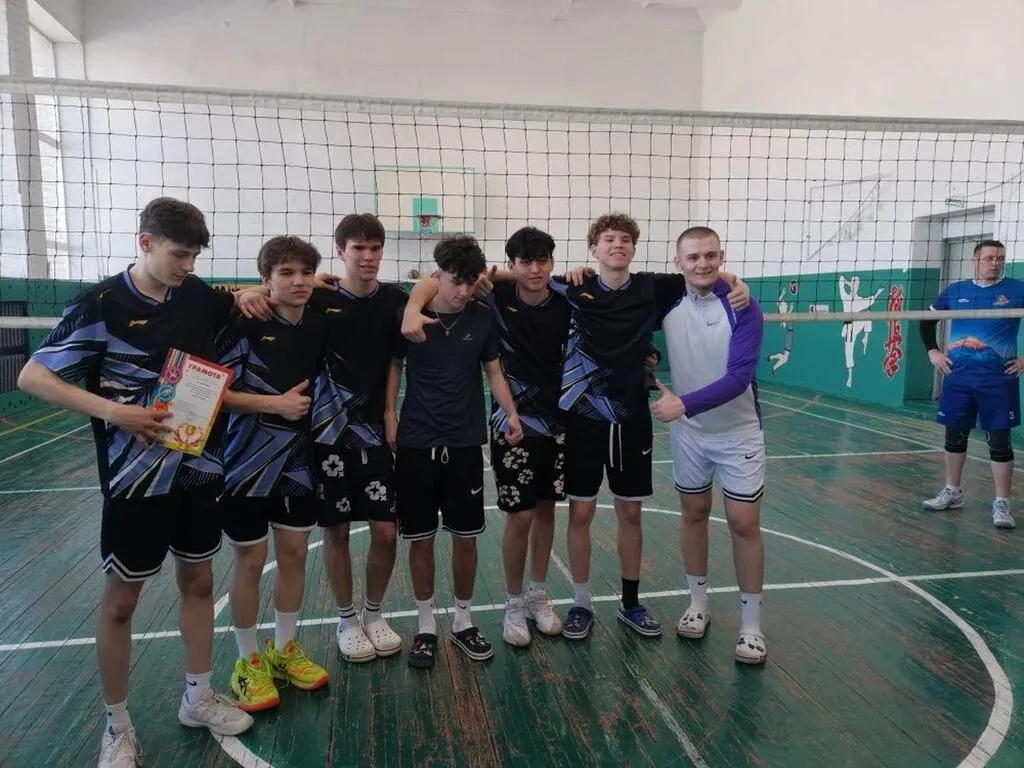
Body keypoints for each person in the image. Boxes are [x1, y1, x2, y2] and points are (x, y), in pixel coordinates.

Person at [16, 197, 253, 768]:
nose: (188, 267)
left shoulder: (194, 294)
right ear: (145, 242)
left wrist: (284, 285)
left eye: (195, 257)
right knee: (121, 601)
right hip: (135, 478)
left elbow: (243, 298)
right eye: (179, 255)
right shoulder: (100, 304)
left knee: (199, 582)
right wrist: (113, 411)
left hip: (199, 468)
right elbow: (32, 376)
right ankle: (117, 727)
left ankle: (198, 697)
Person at [551, 213, 750, 641]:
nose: (617, 245)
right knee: (581, 512)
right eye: (608, 239)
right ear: (594, 248)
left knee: (630, 512)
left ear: (634, 248)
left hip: (631, 417)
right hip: (582, 416)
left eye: (625, 239)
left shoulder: (654, 287)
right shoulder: (573, 286)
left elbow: (704, 273)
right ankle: (581, 603)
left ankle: (630, 604)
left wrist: (738, 282)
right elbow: (513, 279)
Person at [238, 213, 406, 663]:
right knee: (337, 530)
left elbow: (396, 360)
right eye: (358, 248)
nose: (367, 257)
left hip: (373, 433)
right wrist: (247, 292)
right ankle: (347, 619)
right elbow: (272, 295)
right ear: (340, 251)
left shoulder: (395, 300)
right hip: (326, 435)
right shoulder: (317, 297)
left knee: (386, 530)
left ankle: (374, 613)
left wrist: (391, 412)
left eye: (375, 248)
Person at [402, 226, 568, 648]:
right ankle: (501, 605)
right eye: (525, 262)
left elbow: (493, 368)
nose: (535, 269)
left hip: (549, 422)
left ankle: (528, 597)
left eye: (542, 261)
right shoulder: (487, 299)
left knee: (543, 511)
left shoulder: (543, 299)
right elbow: (432, 284)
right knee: (515, 517)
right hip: (434, 437)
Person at [387, 235, 523, 668]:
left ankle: (463, 621)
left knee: (466, 538)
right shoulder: (409, 317)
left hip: (464, 442)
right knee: (421, 539)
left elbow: (494, 372)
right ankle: (426, 626)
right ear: (438, 276)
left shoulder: (481, 317)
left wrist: (511, 413)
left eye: (470, 282)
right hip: (416, 441)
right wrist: (389, 413)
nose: (463, 291)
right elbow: (394, 366)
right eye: (454, 281)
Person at [217, 236, 330, 713]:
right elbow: (212, 392)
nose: (298, 282)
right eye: (286, 273)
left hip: (298, 462)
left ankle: (284, 649)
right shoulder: (241, 324)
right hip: (244, 461)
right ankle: (248, 660)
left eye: (306, 273)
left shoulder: (319, 321)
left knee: (295, 553)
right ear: (266, 279)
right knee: (249, 558)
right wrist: (274, 405)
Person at [649, 226, 768, 665]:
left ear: (722, 256)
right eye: (693, 257)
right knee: (693, 513)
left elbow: (738, 378)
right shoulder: (666, 300)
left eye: (710, 256)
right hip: (690, 435)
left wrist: (682, 404)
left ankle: (751, 626)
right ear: (678, 262)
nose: (702, 264)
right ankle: (697, 604)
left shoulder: (743, 306)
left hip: (738, 433)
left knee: (743, 523)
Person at [919, 239, 1024, 530]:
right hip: (958, 378)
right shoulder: (956, 291)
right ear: (975, 260)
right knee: (954, 438)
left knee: (999, 442)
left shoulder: (1018, 289)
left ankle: (1002, 503)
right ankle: (953, 492)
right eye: (990, 258)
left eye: (1000, 258)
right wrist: (933, 351)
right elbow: (926, 321)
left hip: (999, 380)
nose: (995, 263)